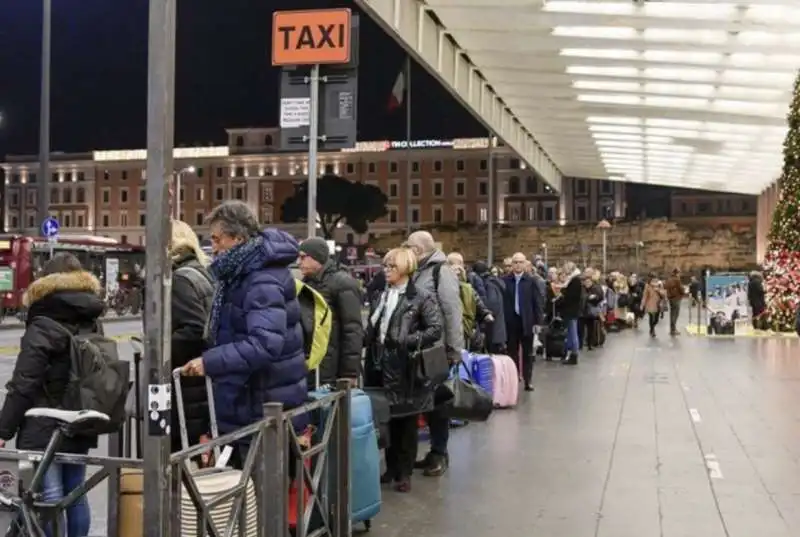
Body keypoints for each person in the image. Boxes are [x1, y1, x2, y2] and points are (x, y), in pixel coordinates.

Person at [182, 201, 308, 468]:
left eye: (217, 239)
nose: (213, 247)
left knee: (257, 496)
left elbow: (264, 343)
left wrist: (210, 362)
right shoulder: (244, 272)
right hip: (252, 401)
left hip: (259, 407)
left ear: (237, 238)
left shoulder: (261, 278)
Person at [0, 253, 105, 537]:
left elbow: (25, 382)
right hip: (80, 418)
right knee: (75, 493)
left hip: (44, 423)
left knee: (48, 496)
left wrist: (3, 428)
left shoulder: (44, 321)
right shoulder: (92, 320)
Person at [364, 248, 443, 493]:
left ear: (405, 269)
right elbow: (374, 328)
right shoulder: (381, 295)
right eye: (385, 266)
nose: (386, 271)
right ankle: (391, 468)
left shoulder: (421, 296)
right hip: (379, 365)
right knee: (386, 418)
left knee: (407, 421)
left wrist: (406, 340)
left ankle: (404, 472)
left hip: (407, 368)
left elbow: (435, 329)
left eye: (391, 267)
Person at [405, 231, 463, 477]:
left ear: (418, 250)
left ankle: (439, 452)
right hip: (418, 347)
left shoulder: (442, 272)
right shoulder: (418, 270)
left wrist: (454, 349)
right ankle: (433, 452)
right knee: (424, 402)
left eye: (408, 246)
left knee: (438, 402)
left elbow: (452, 311)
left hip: (437, 348)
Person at [168, 220, 214, 456]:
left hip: (185, 382)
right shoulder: (201, 272)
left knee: (177, 453)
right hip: (200, 380)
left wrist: (162, 352)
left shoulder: (180, 279)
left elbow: (193, 328)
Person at [297, 237, 364, 388]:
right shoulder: (305, 284)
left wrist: (349, 373)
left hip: (332, 371)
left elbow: (352, 330)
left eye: (303, 257)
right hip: (311, 368)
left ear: (317, 257)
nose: (299, 262)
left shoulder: (342, 283)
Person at [502, 252, 543, 390]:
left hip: (527, 321)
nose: (518, 265)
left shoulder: (532, 281)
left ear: (525, 264)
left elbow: (538, 302)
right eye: (515, 262)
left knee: (528, 353)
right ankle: (514, 377)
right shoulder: (505, 280)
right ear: (512, 265)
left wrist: (538, 322)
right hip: (511, 321)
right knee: (512, 351)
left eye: (521, 262)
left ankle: (528, 380)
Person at [473, 261, 506, 352]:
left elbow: (492, 305)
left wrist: (481, 311)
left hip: (492, 328)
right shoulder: (493, 282)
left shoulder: (489, 284)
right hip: (495, 327)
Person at [557, 262, 582, 365]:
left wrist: (563, 294)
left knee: (572, 332)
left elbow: (571, 296)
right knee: (571, 332)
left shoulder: (575, 280)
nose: (564, 271)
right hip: (572, 310)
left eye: (566, 268)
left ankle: (574, 354)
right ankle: (572, 353)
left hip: (571, 310)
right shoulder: (573, 280)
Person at [581, 270, 605, 350]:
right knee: (582, 328)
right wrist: (589, 297)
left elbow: (600, 297)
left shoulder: (595, 287)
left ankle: (590, 343)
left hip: (591, 311)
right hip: (583, 311)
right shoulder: (582, 288)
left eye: (589, 282)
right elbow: (582, 297)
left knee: (590, 328)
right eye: (586, 282)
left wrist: (594, 298)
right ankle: (583, 343)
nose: (587, 283)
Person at [641, 273, 667, 338]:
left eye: (654, 278)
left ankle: (652, 328)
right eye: (651, 278)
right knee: (651, 318)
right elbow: (645, 296)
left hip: (658, 304)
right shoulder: (647, 285)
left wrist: (658, 290)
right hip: (650, 304)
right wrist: (642, 304)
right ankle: (652, 330)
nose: (652, 279)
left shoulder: (660, 285)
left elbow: (664, 294)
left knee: (656, 320)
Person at [664, 268, 685, 336]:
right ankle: (673, 329)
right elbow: (681, 289)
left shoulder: (669, 278)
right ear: (677, 273)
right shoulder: (677, 279)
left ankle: (672, 329)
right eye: (679, 273)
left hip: (670, 298)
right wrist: (683, 291)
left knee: (672, 314)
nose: (680, 274)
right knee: (676, 314)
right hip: (676, 298)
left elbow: (665, 286)